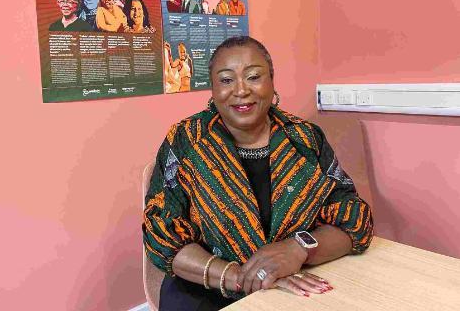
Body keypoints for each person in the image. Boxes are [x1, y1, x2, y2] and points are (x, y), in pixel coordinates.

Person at [143, 36, 374, 310]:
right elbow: (161, 233)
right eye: (227, 80)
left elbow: (354, 219)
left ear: (272, 81)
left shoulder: (304, 139)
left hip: (295, 281)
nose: (241, 90)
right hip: (207, 291)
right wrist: (248, 277)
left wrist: (298, 248)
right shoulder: (187, 141)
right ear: (213, 89)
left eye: (253, 76)